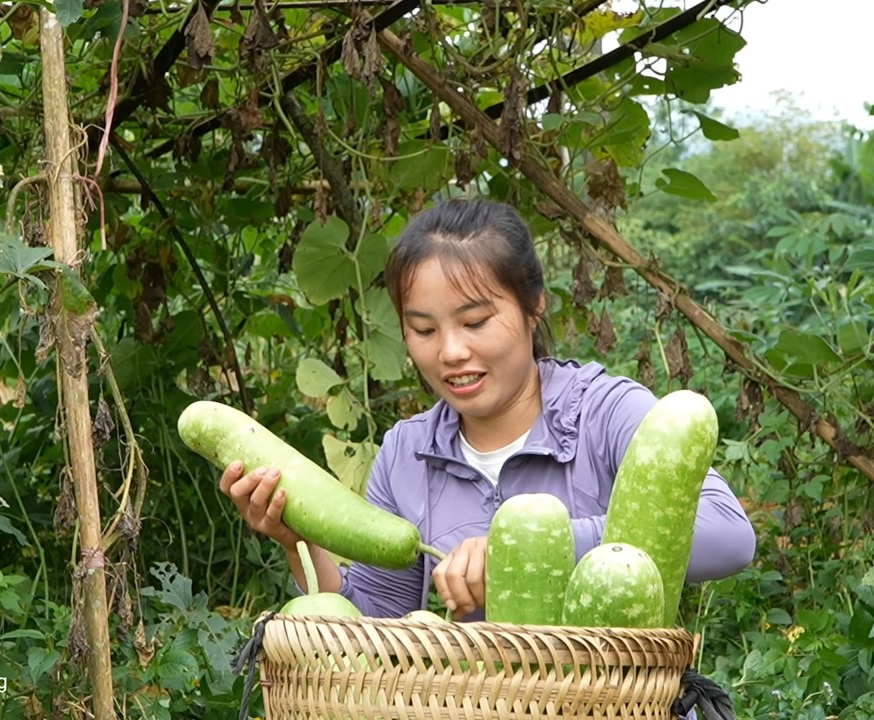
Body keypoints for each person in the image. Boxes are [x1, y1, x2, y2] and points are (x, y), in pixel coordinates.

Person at [219, 198, 756, 621]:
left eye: (475, 322)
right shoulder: (407, 453)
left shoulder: (605, 411)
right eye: (424, 330)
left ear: (533, 306)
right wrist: (300, 542)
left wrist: (526, 546)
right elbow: (378, 624)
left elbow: (728, 536)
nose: (451, 352)